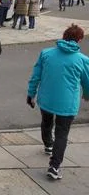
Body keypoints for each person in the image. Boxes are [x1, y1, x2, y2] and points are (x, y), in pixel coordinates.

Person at [27, 24, 89, 180]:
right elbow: (87, 82)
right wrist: (87, 95)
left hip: (47, 98)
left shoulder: (46, 53)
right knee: (62, 133)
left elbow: (36, 75)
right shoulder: (83, 60)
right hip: (67, 103)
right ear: (79, 39)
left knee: (46, 123)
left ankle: (48, 144)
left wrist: (31, 94)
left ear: (63, 36)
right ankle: (54, 166)